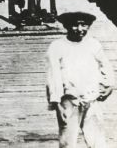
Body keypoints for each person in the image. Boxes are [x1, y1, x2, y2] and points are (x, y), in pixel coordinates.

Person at [46, 11, 114, 148]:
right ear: (66, 26)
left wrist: (109, 86)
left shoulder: (93, 44)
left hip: (91, 97)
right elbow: (53, 75)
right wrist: (56, 102)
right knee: (68, 140)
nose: (80, 29)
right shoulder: (57, 46)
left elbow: (105, 65)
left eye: (84, 25)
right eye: (75, 25)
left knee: (97, 139)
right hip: (69, 100)